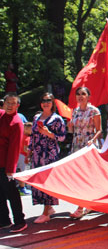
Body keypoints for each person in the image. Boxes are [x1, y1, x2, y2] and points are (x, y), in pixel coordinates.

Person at [30, 93, 66, 223]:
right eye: (43, 100)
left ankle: (46, 212)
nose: (46, 103)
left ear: (52, 103)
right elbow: (33, 136)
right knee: (38, 181)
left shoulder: (57, 119)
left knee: (47, 181)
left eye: (48, 101)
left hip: (49, 154)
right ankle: (48, 208)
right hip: (37, 154)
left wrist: (48, 133)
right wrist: (30, 151)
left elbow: (62, 137)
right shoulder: (36, 117)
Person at [68, 86, 101, 219]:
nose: (80, 96)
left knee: (87, 176)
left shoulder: (94, 111)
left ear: (88, 96)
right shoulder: (75, 111)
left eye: (83, 94)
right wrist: (69, 127)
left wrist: (92, 140)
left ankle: (81, 207)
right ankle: (87, 204)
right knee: (78, 176)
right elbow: (72, 131)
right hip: (77, 144)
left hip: (88, 144)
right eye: (78, 94)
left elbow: (99, 130)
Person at [0, 93, 27, 232]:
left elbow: (15, 148)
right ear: (3, 103)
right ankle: (4, 220)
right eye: (7, 103)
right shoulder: (1, 115)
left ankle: (20, 221)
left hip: (6, 164)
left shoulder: (16, 122)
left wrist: (11, 169)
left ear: (18, 105)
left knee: (12, 193)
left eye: (13, 103)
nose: (10, 105)